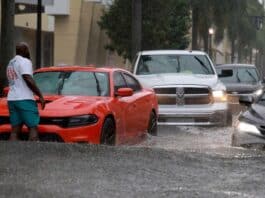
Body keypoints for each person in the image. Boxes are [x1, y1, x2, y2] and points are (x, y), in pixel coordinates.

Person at [6, 42, 45, 141]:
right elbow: (27, 77)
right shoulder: (25, 61)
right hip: (24, 99)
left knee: (15, 129)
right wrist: (40, 95)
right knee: (33, 127)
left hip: (12, 99)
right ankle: (33, 154)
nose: (28, 51)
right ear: (24, 50)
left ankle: (13, 154)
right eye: (27, 49)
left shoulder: (11, 63)